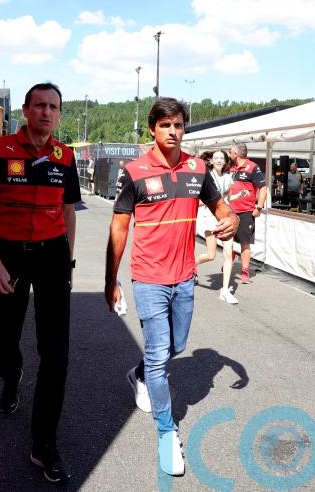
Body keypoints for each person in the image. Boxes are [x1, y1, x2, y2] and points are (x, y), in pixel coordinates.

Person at [104, 98, 237, 477]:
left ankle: (140, 374)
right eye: (165, 125)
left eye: (178, 125)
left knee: (177, 347)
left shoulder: (198, 168)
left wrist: (229, 221)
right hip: (148, 278)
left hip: (184, 277)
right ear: (152, 129)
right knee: (161, 354)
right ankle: (167, 432)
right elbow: (118, 229)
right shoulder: (134, 172)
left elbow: (222, 208)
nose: (173, 131)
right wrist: (110, 280)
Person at [0, 82, 79, 484]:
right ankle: (11, 375)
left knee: (56, 355)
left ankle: (44, 444)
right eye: (39, 105)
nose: (46, 113)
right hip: (9, 253)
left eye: (53, 106)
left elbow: (69, 212)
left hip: (52, 255)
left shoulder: (65, 156)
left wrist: (67, 260)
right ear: (26, 109)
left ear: (59, 114)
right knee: (6, 339)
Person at [194, 149, 237, 304]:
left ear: (225, 161)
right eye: (216, 158)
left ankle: (224, 291)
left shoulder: (228, 178)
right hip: (209, 218)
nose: (219, 160)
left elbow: (227, 199)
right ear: (211, 161)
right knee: (211, 255)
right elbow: (198, 200)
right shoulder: (206, 177)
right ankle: (192, 267)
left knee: (228, 254)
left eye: (221, 158)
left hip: (224, 218)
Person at [228, 142, 267, 285]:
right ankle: (230, 258)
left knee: (244, 242)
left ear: (235, 154)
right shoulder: (230, 167)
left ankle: (245, 271)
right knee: (227, 240)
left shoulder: (252, 167)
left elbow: (263, 188)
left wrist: (259, 207)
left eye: (230, 152)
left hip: (245, 211)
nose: (229, 154)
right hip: (230, 211)